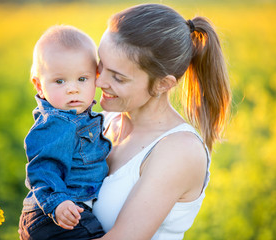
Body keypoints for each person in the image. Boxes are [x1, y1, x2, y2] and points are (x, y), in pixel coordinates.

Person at [92, 3, 231, 240]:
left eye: (118, 77)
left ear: (163, 84)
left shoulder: (179, 150)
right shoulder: (102, 122)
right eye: (101, 64)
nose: (98, 81)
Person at [18, 25, 111, 240]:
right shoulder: (58, 122)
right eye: (60, 81)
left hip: (58, 211)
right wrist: (57, 203)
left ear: (96, 77)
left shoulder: (79, 117)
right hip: (54, 213)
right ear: (39, 85)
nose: (72, 89)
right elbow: (42, 169)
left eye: (82, 79)